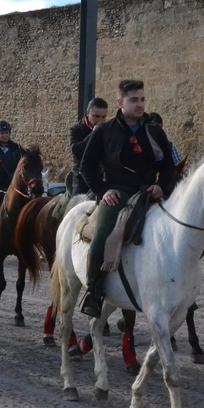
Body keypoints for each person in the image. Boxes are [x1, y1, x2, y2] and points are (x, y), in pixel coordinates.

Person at [78, 79, 174, 317]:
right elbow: (86, 166)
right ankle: (94, 289)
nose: (140, 105)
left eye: (142, 99)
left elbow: (169, 166)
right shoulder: (103, 131)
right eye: (134, 100)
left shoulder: (154, 131)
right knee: (102, 233)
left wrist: (161, 185)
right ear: (120, 102)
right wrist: (103, 191)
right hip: (117, 192)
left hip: (149, 192)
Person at [69, 98, 108, 195]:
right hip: (82, 181)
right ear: (88, 113)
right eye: (96, 116)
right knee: (75, 207)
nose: (100, 120)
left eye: (104, 117)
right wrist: (94, 133)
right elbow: (77, 151)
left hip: (102, 180)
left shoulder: (108, 129)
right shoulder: (76, 130)